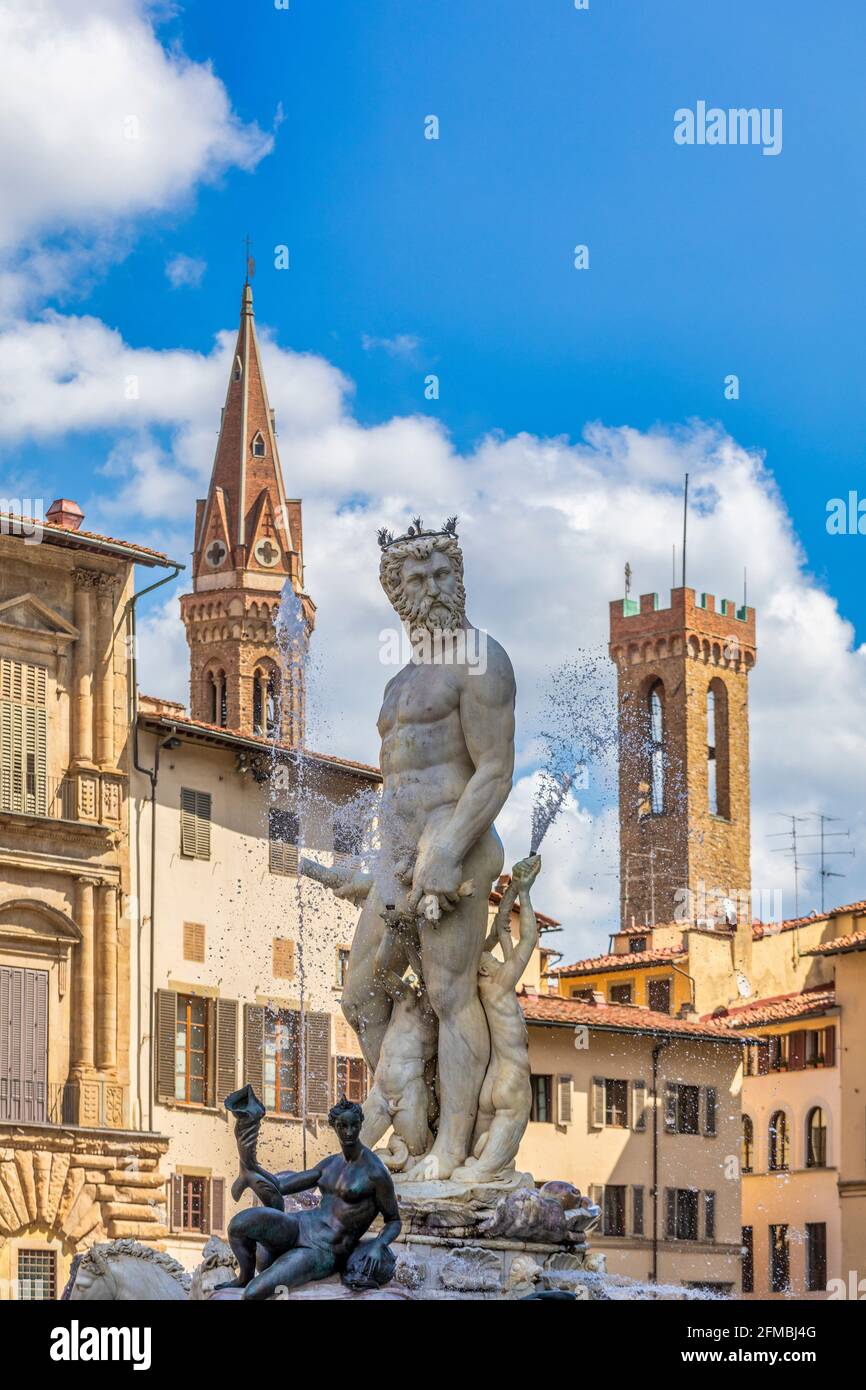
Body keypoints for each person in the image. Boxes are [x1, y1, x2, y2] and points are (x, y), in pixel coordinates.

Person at [341, 520, 516, 1179]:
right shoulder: (401, 683)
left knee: (448, 995)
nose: (434, 587)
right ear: (397, 592)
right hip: (397, 855)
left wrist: (447, 849)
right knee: (362, 995)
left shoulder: (481, 658)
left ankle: (454, 1147)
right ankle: (414, 1125)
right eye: (418, 578)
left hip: (457, 844)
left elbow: (495, 769)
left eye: (444, 573)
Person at [217, 1098, 401, 1300]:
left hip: (322, 1250)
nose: (349, 1132)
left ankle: (250, 1283)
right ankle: (244, 1276)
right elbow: (280, 1187)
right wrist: (250, 1164)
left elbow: (394, 1220)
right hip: (299, 1225)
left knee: (253, 1294)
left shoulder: (375, 1172)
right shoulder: (330, 1164)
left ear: (360, 1124)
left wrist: (378, 1244)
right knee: (238, 1224)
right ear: (334, 1126)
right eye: (343, 1126)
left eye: (354, 1125)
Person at [451, 854, 541, 1183]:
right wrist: (527, 892)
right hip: (512, 1079)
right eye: (489, 956)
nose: (494, 955)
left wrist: (512, 890)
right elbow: (528, 939)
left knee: (473, 1162)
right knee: (483, 1173)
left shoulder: (481, 987)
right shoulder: (502, 983)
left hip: (489, 1083)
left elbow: (502, 927)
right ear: (486, 967)